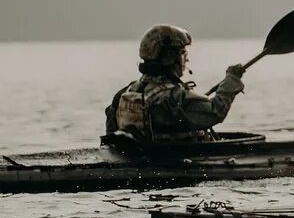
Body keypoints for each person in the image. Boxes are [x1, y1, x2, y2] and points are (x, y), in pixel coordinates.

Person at [104, 24, 245, 143]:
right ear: (169, 57)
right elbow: (216, 111)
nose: (186, 60)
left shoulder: (125, 92)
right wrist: (231, 80)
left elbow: (111, 134)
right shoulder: (173, 97)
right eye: (183, 53)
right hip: (177, 161)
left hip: (143, 159)